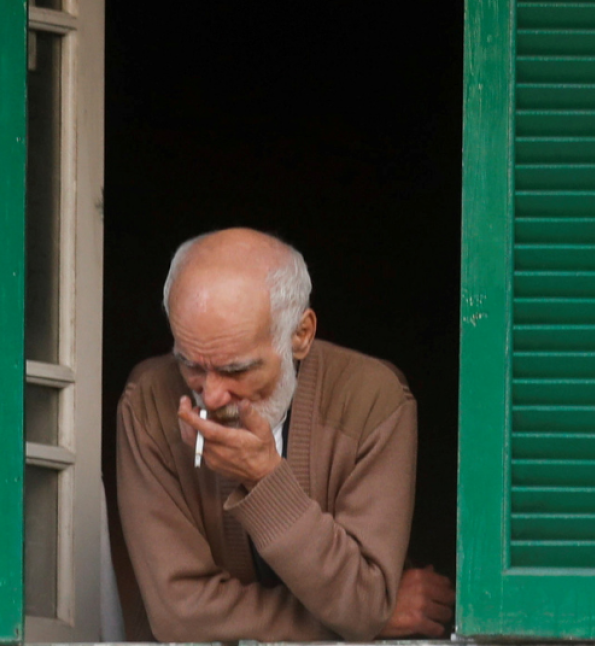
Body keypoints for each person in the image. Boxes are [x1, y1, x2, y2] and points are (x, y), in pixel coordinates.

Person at [116, 227, 454, 641]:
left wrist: (264, 479)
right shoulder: (148, 403)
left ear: (301, 335)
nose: (212, 393)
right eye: (191, 365)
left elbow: (362, 602)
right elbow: (179, 616)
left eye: (236, 369)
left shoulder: (373, 400)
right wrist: (362, 620)